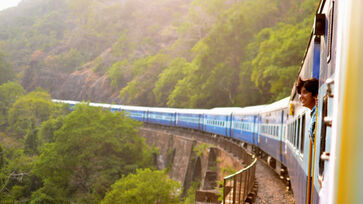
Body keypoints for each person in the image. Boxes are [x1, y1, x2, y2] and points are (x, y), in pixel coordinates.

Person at [295, 77, 319, 142]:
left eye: (305, 92)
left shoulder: (318, 114)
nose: (301, 97)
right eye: (300, 93)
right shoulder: (315, 113)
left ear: (315, 94)